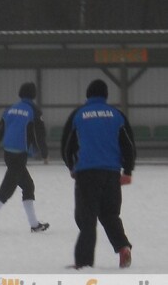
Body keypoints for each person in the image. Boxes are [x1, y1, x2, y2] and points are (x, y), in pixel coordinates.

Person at [61, 79, 136, 269]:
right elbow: (129, 145)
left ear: (88, 95)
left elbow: (66, 145)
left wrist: (71, 167)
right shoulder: (117, 115)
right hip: (111, 173)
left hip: (87, 173)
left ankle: (84, 262)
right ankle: (123, 247)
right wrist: (127, 171)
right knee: (110, 214)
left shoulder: (79, 115)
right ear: (105, 96)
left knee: (87, 219)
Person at [0, 82, 50, 235]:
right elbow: (39, 134)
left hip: (8, 154)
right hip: (19, 155)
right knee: (7, 189)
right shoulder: (34, 110)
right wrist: (44, 152)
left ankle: (34, 225)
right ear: (34, 95)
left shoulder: (10, 110)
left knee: (28, 186)